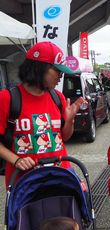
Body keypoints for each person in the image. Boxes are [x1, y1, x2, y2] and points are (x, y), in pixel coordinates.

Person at [0, 41, 85, 186]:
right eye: (58, 70)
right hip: (25, 186)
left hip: (61, 178)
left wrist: (69, 121)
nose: (61, 76)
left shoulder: (58, 97)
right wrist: (16, 160)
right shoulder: (7, 98)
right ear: (39, 68)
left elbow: (64, 137)